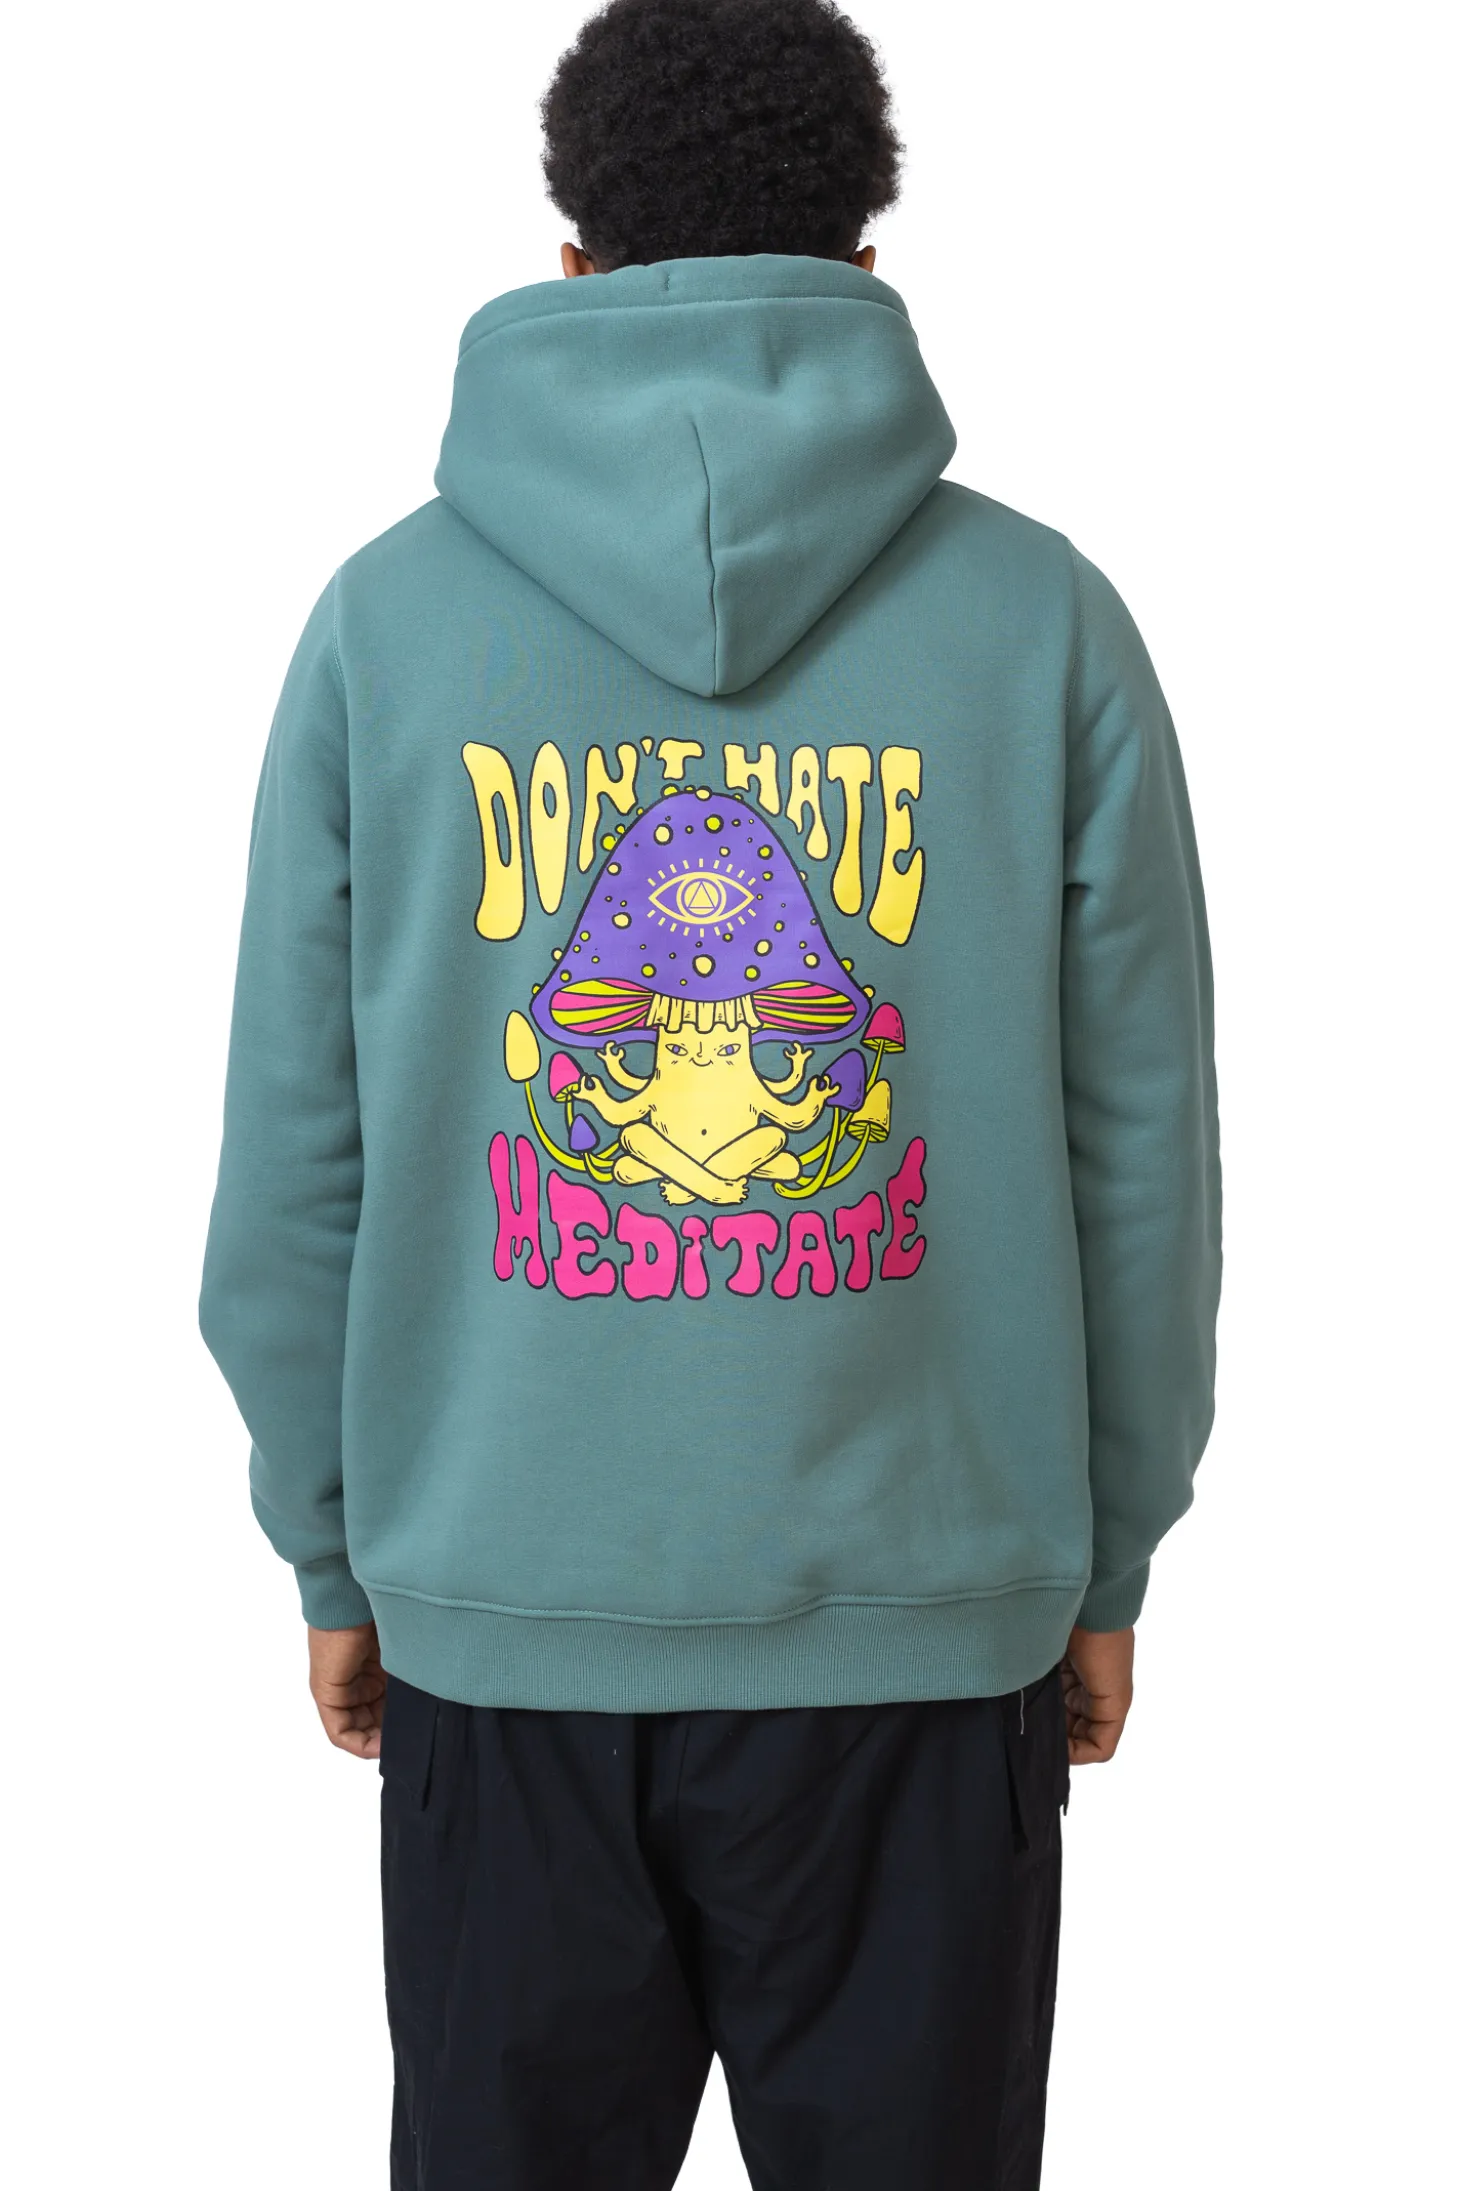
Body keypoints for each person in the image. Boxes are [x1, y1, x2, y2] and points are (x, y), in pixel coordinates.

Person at [200, 0, 1220, 2183]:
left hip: (499, 1632)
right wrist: (1108, 1551)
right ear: (862, 259)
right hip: (928, 1640)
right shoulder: (1045, 623)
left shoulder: (383, 628)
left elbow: (296, 1149)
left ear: (571, 258)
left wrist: (337, 1548)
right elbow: (1140, 1150)